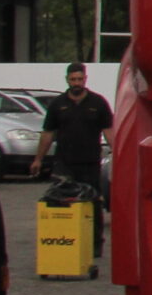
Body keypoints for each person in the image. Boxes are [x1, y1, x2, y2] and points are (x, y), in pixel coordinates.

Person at [32, 63, 112, 197]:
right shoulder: (57, 104)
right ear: (67, 80)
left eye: (79, 79)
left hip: (90, 163)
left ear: (85, 79)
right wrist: (38, 159)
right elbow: (48, 133)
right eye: (73, 79)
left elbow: (109, 130)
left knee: (91, 199)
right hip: (64, 163)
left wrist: (116, 155)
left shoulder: (98, 102)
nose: (77, 83)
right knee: (63, 199)